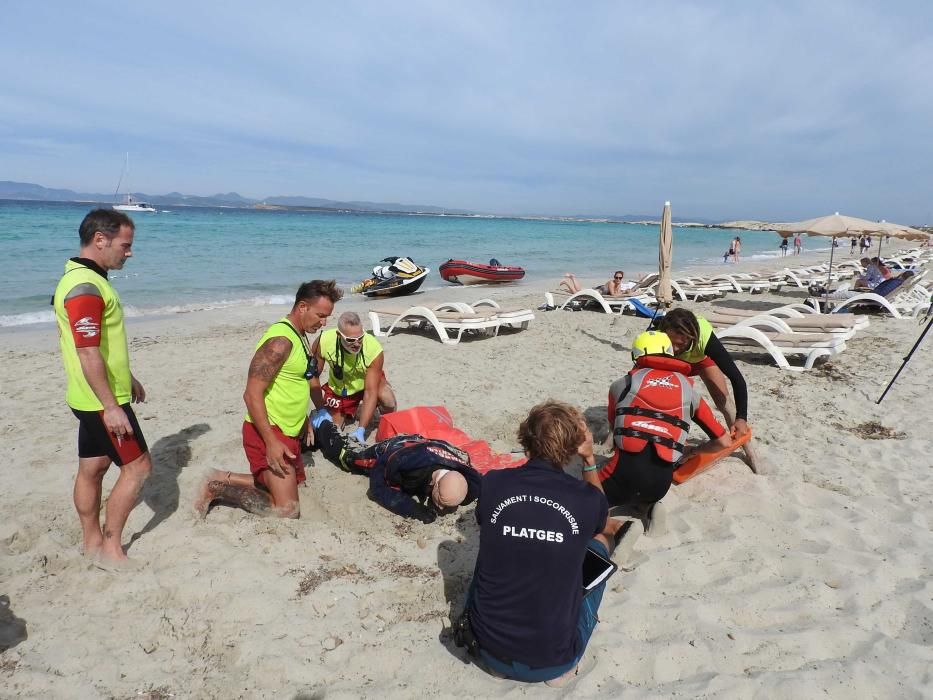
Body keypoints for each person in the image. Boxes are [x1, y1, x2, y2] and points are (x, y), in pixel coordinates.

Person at [462, 401, 610, 686]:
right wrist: (589, 460)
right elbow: (600, 519)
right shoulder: (585, 499)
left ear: (526, 442)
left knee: (495, 543)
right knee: (600, 543)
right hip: (554, 660)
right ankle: (566, 664)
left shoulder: (493, 483)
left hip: (489, 650)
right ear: (572, 448)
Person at [53, 208, 151, 565]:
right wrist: (112, 406)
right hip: (99, 401)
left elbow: (99, 347)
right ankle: (111, 548)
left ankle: (92, 542)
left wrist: (128, 378)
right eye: (125, 245)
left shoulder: (81, 278)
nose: (129, 252)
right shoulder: (85, 287)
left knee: (92, 468)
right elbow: (87, 350)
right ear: (100, 239)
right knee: (138, 468)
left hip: (89, 394)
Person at [196, 280, 343, 518]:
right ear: (303, 307)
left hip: (289, 432)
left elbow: (296, 381)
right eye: (321, 315)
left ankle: (228, 477)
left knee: (291, 488)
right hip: (268, 432)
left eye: (327, 317)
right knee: (287, 511)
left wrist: (305, 418)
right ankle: (218, 485)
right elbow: (251, 394)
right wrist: (271, 441)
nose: (324, 322)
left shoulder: (300, 336)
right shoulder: (279, 342)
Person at [582, 331, 731, 535]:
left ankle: (619, 529)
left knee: (582, 500)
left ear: (637, 356)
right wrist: (693, 451)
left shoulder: (621, 385)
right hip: (661, 484)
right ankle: (648, 506)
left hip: (621, 476)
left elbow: (615, 428)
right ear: (670, 354)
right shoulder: (691, 393)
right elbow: (723, 441)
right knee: (645, 484)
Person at [311, 415, 480, 522]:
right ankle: (322, 423)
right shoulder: (404, 462)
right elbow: (378, 487)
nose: (444, 511)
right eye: (442, 503)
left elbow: (485, 483)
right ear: (435, 484)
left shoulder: (471, 480)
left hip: (429, 446)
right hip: (395, 449)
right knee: (348, 458)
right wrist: (412, 508)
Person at [655, 308, 750, 440]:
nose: (676, 349)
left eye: (681, 344)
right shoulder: (657, 336)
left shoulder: (704, 337)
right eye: (672, 344)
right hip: (674, 363)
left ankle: (751, 453)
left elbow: (736, 378)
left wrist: (742, 418)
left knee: (723, 400)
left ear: (692, 336)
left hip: (701, 360)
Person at [310, 311, 396, 442]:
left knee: (388, 399)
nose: (357, 343)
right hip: (340, 390)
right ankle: (354, 411)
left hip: (367, 385)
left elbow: (370, 391)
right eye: (350, 340)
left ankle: (382, 419)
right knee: (333, 427)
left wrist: (361, 429)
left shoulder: (373, 349)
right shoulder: (324, 341)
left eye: (360, 338)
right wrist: (320, 409)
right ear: (339, 335)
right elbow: (313, 375)